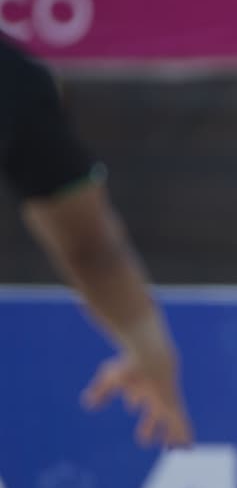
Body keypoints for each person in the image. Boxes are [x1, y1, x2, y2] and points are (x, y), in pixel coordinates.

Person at [1, 34, 194, 449]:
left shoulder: (18, 84)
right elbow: (92, 252)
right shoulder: (18, 80)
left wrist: (151, 356)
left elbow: (92, 251)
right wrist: (151, 354)